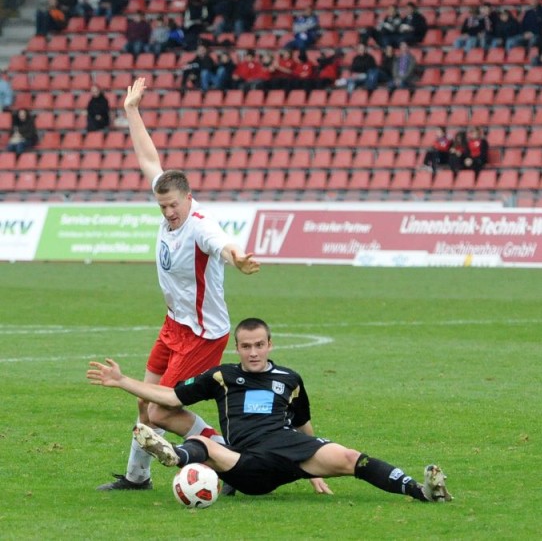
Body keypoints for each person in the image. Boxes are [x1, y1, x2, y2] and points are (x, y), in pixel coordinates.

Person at [96, 77, 261, 491]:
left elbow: (221, 243)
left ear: (188, 198)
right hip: (175, 323)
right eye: (162, 205)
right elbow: (149, 160)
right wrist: (132, 110)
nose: (168, 212)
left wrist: (236, 257)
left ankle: (228, 457)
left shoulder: (201, 225)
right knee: (144, 400)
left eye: (173, 205)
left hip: (203, 334)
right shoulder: (168, 200)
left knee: (163, 413)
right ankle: (137, 477)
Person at [87, 317, 453, 502]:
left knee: (351, 457)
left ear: (269, 343)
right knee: (209, 445)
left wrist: (314, 471)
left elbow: (304, 424)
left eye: (259, 345)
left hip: (292, 451)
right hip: (245, 462)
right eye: (246, 346)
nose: (253, 352)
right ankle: (175, 455)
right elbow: (169, 398)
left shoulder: (289, 378)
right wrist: (123, 381)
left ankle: (421, 492)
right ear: (237, 348)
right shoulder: (222, 376)